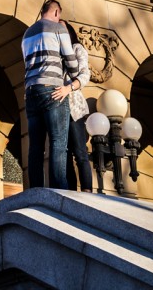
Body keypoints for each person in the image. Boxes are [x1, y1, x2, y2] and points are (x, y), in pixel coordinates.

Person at [21, 0, 82, 189]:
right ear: (56, 13)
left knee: (35, 147)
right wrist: (75, 77)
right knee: (58, 143)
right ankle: (59, 189)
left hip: (31, 91)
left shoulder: (27, 34)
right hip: (53, 89)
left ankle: (35, 189)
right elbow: (70, 60)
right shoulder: (58, 28)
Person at [62, 21, 93, 192]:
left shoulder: (77, 49)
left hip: (75, 109)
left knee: (80, 152)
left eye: (62, 28)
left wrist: (69, 87)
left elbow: (85, 74)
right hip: (58, 109)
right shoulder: (54, 52)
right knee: (64, 154)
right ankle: (71, 191)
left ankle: (87, 190)